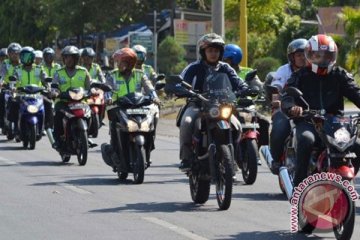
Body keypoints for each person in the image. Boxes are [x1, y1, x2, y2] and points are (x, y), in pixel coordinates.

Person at [282, 34, 360, 186]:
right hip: (308, 121)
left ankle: (345, 179)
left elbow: (356, 92)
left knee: (357, 145)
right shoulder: (300, 75)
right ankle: (299, 186)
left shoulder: (340, 75)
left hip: (335, 123)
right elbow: (287, 95)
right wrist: (292, 107)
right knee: (306, 140)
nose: (322, 59)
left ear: (333, 56)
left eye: (326, 55)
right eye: (318, 55)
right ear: (309, 55)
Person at [178, 33, 248, 171]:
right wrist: (181, 89)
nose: (213, 54)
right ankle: (186, 158)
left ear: (221, 52)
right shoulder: (194, 67)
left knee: (238, 126)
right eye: (210, 50)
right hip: (198, 105)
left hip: (222, 105)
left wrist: (245, 89)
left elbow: (238, 82)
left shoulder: (225, 68)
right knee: (186, 123)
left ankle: (232, 159)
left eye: (216, 51)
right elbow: (182, 82)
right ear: (203, 52)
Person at [102, 47, 160, 166]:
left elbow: (149, 87)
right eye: (116, 62)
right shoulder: (112, 75)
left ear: (129, 62)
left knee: (149, 124)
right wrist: (108, 98)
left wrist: (155, 97)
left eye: (120, 62)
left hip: (138, 106)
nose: (117, 65)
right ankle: (115, 152)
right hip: (119, 107)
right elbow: (107, 88)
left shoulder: (140, 74)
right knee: (114, 125)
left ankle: (149, 148)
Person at [223, 43, 270, 162]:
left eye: (227, 59)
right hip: (228, 107)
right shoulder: (221, 73)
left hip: (247, 106)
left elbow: (258, 86)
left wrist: (262, 91)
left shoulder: (248, 72)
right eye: (223, 60)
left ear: (235, 59)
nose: (224, 62)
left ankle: (255, 151)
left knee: (264, 122)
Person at [269, 38, 307, 174]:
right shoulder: (284, 70)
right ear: (292, 57)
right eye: (299, 55)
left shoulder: (315, 69)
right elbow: (276, 87)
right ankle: (276, 159)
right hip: (285, 107)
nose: (303, 58)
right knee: (280, 128)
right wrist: (276, 101)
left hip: (308, 109)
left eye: (306, 54)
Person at [52, 45, 92, 150]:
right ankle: (58, 139)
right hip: (63, 102)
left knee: (89, 114)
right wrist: (55, 92)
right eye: (66, 57)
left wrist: (91, 92)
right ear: (63, 59)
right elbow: (54, 86)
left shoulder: (83, 71)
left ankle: (86, 135)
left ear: (76, 59)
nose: (68, 60)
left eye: (71, 57)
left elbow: (89, 87)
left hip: (80, 101)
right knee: (58, 117)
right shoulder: (58, 73)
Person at [7, 46, 47, 138]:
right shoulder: (17, 69)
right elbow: (13, 79)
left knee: (48, 104)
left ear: (33, 57)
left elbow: (44, 79)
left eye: (28, 56)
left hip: (37, 96)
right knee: (13, 103)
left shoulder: (39, 68)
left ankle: (45, 127)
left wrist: (47, 87)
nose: (26, 59)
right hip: (21, 95)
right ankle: (15, 127)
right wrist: (12, 87)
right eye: (23, 56)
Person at [0, 42, 22, 131]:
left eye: (16, 53)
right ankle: (3, 122)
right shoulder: (5, 63)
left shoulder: (23, 64)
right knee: (1, 100)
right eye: (12, 53)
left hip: (20, 89)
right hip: (8, 88)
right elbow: (2, 74)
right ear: (8, 54)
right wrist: (1, 83)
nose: (14, 55)